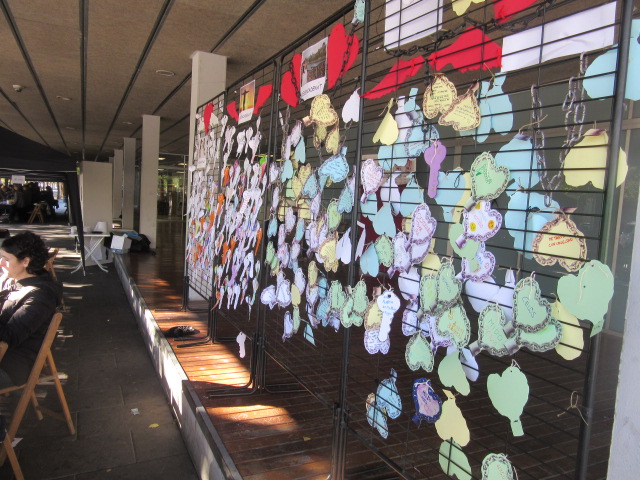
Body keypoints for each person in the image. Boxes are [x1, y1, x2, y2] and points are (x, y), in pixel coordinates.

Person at [0, 232, 62, 389]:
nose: (1, 264)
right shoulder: (16, 280)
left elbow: (10, 337)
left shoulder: (39, 296)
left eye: (6, 259)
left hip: (12, 365)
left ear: (25, 261)